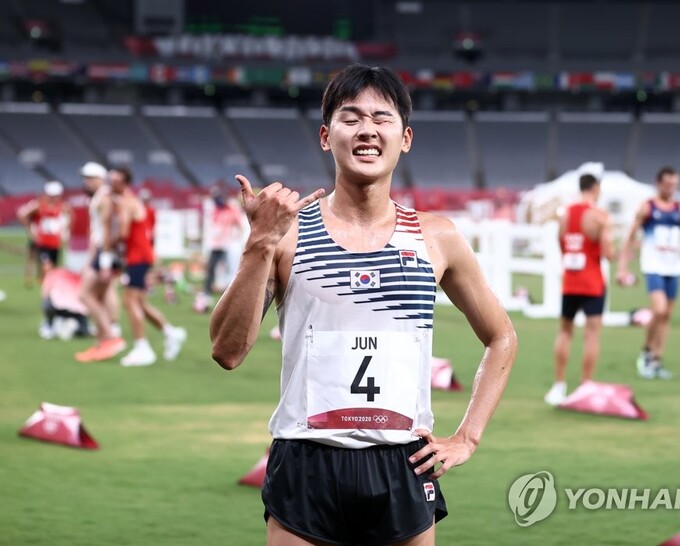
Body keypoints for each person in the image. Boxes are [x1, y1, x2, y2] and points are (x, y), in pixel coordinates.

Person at [210, 64, 517, 546]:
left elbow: (502, 337)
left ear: (406, 137)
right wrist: (259, 244)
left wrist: (467, 437)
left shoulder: (437, 238)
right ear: (326, 135)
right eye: (351, 118)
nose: (367, 130)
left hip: (403, 461)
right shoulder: (287, 234)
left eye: (382, 118)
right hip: (306, 458)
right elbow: (227, 352)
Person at [616, 166, 680, 379]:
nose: (671, 188)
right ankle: (647, 351)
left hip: (674, 267)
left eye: (674, 185)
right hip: (653, 266)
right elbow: (630, 236)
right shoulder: (647, 208)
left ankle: (658, 359)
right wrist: (623, 266)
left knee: (667, 315)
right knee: (658, 310)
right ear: (658, 183)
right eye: (667, 184)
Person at [545, 174, 615, 406]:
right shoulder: (600, 216)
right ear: (596, 189)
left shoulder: (565, 214)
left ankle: (558, 385)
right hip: (593, 282)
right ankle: (585, 385)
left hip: (571, 282)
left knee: (565, 331)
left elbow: (560, 241)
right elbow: (608, 253)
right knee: (592, 334)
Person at [109, 167, 187, 367]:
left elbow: (125, 232)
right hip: (141, 255)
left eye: (115, 181)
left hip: (137, 257)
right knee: (140, 302)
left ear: (124, 183)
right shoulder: (130, 201)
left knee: (129, 301)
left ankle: (142, 348)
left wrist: (109, 242)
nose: (111, 184)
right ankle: (172, 333)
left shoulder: (127, 202)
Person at [75, 161, 126, 363]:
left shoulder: (104, 198)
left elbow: (107, 230)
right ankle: (102, 342)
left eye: (89, 178)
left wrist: (104, 260)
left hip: (106, 252)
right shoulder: (100, 197)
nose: (85, 182)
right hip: (104, 251)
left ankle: (110, 337)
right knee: (101, 294)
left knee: (85, 295)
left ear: (99, 178)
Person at [194, 187, 244, 312]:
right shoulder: (215, 210)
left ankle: (232, 297)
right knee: (210, 270)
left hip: (226, 246)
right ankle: (207, 294)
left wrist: (235, 238)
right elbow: (212, 228)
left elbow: (239, 226)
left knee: (229, 271)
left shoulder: (231, 210)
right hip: (215, 245)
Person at [17, 181, 71, 283]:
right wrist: (31, 231)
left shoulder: (62, 206)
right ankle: (33, 281)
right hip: (42, 243)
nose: (53, 198)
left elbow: (69, 218)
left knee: (53, 269)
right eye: (51, 195)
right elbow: (22, 215)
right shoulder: (38, 205)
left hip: (55, 243)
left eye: (55, 196)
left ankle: (48, 289)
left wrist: (65, 232)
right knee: (46, 267)